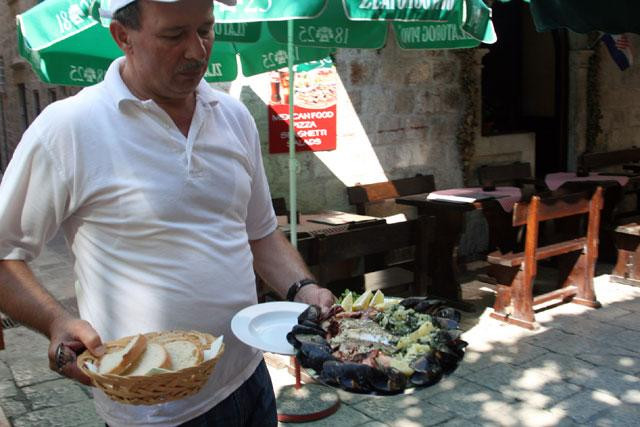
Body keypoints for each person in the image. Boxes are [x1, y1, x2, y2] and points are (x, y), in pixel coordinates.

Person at [0, 0, 335, 425]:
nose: (197, 51)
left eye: (206, 30)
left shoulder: (232, 116)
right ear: (123, 36)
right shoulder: (68, 127)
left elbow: (260, 234)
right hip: (153, 409)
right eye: (174, 35)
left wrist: (302, 289)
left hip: (247, 378)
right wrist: (55, 320)